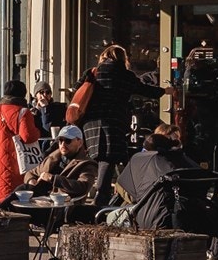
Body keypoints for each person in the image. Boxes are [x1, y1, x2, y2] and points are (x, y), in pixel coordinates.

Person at [75, 45, 177, 205]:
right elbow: (145, 90)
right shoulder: (125, 75)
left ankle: (110, 197)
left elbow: (77, 90)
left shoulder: (92, 72)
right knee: (109, 160)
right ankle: (103, 199)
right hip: (114, 123)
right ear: (123, 59)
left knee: (105, 159)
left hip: (91, 124)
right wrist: (165, 91)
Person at [0, 80, 40, 204]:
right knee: (18, 199)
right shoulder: (23, 112)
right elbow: (28, 137)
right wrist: (38, 131)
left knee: (3, 198)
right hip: (15, 163)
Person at [25, 125, 99, 220]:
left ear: (80, 143)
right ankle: (7, 215)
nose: (63, 144)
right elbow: (30, 173)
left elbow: (82, 187)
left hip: (61, 208)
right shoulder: (53, 158)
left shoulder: (87, 164)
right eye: (60, 141)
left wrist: (53, 179)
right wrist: (31, 181)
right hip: (40, 201)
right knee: (23, 189)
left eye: (68, 141)